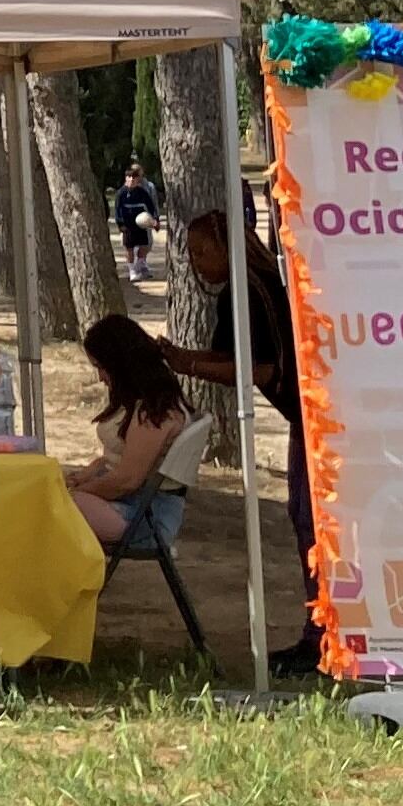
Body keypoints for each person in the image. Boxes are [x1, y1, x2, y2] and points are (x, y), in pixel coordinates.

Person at [163, 200, 318, 679]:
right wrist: (187, 356)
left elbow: (258, 366)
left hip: (313, 420)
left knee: (311, 525)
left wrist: (189, 365)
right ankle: (319, 631)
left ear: (223, 249)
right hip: (307, 415)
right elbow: (236, 354)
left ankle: (321, 637)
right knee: (302, 519)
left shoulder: (244, 292)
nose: (194, 264)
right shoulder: (252, 284)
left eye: (199, 253)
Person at [63, 313, 192, 556]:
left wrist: (79, 492)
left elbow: (127, 480)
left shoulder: (156, 413)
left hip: (144, 517)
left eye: (102, 368)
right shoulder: (140, 402)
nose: (100, 377)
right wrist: (84, 476)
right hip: (131, 504)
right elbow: (114, 460)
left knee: (56, 509)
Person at [112, 160, 158, 282]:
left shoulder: (143, 192)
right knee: (129, 249)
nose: (132, 180)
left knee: (144, 246)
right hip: (128, 225)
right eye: (129, 177)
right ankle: (132, 270)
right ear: (126, 178)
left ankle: (141, 264)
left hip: (141, 224)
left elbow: (151, 206)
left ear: (139, 179)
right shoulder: (121, 193)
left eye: (135, 177)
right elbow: (117, 210)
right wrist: (120, 224)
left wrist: (155, 220)